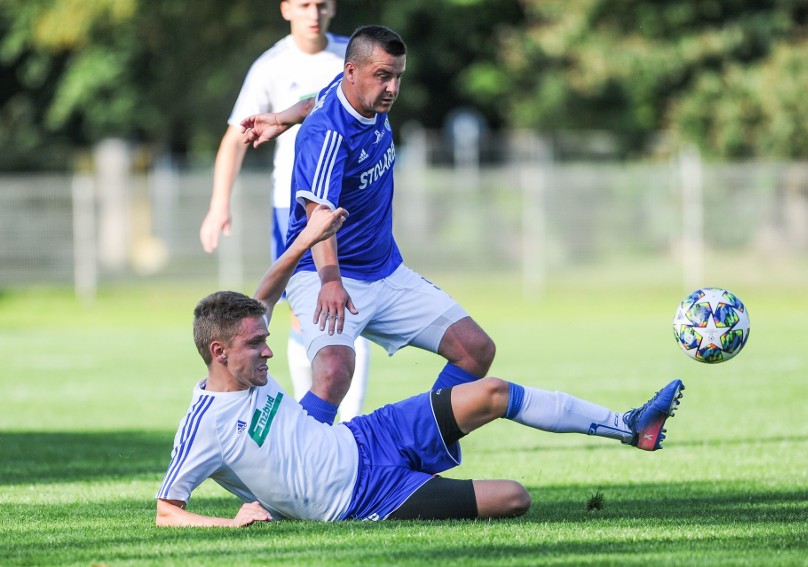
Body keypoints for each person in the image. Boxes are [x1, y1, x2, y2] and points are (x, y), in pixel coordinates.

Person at [155, 205, 686, 526]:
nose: (269, 351)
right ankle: (426, 479)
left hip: (367, 437)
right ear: (218, 353)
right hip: (363, 498)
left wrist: (308, 239)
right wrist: (233, 520)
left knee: (492, 390)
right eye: (255, 345)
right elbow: (168, 511)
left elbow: (267, 290)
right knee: (515, 499)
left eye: (265, 340)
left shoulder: (246, 356)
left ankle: (629, 427)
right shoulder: (204, 426)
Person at [240, 25, 496, 426]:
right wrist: (330, 281)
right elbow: (318, 220)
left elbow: (314, 98)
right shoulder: (326, 134)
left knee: (476, 350)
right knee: (334, 373)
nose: (392, 87)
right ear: (352, 72)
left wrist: (279, 118)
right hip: (323, 271)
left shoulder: (354, 93)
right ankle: (285, 474)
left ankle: (415, 447)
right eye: (383, 76)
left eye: (398, 76)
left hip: (385, 271)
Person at [198, 0, 371, 421]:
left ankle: (351, 425)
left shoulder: (352, 56)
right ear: (286, 9)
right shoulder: (270, 66)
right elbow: (236, 138)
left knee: (354, 302)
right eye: (305, 4)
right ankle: (310, 418)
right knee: (303, 311)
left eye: (322, 4)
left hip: (350, 201)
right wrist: (219, 203)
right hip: (293, 207)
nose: (315, 13)